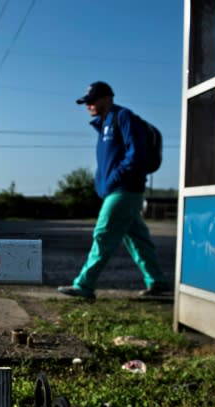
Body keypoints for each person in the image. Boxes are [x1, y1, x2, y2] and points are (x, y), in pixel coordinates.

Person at [58, 81, 170, 300]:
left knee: (103, 234)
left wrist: (115, 178)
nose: (88, 105)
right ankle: (157, 282)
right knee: (138, 240)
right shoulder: (103, 124)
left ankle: (84, 285)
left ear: (107, 98)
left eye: (92, 100)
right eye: (86, 102)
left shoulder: (123, 117)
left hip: (125, 189)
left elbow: (135, 154)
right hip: (117, 189)